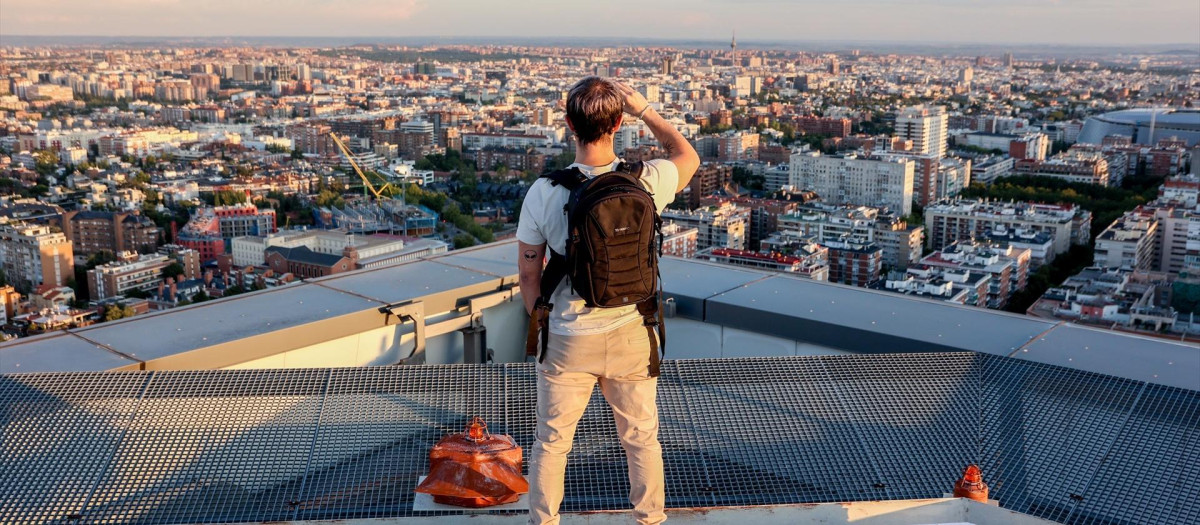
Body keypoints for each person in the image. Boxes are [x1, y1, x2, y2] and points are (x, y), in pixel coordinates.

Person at [516, 76, 700, 525]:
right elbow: (688, 157)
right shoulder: (647, 180)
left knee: (553, 442)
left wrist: (544, 324)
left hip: (567, 337)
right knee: (641, 439)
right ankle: (650, 519)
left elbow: (528, 274)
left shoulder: (545, 191)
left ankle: (545, 521)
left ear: (567, 124)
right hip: (633, 330)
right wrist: (647, 110)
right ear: (617, 123)